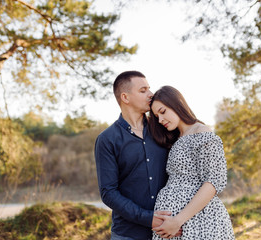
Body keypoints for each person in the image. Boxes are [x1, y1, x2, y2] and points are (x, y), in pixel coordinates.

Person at [94, 71, 174, 240]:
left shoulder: (163, 128)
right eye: (143, 90)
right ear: (125, 97)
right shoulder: (107, 139)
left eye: (149, 89)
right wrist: (147, 218)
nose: (151, 95)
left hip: (170, 229)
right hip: (128, 234)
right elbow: (108, 192)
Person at [148, 85, 235, 240]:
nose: (160, 120)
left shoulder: (202, 133)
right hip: (173, 225)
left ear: (176, 104)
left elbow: (213, 181)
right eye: (157, 116)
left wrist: (178, 220)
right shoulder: (177, 138)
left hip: (198, 222)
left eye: (162, 112)